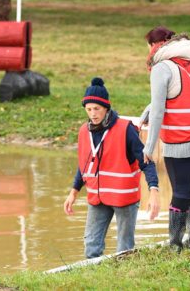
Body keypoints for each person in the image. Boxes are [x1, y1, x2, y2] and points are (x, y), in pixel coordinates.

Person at [140, 26, 190, 251]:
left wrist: (149, 146)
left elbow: (158, 112)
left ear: (154, 46)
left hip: (181, 141)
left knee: (180, 192)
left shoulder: (162, 68)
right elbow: (187, 97)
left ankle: (175, 244)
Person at [63, 77, 160, 259]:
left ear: (106, 107)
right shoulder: (84, 131)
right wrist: (74, 191)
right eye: (89, 109)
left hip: (125, 199)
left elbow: (147, 162)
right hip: (97, 198)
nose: (93, 113)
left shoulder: (126, 130)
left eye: (97, 109)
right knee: (91, 247)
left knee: (124, 250)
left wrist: (154, 190)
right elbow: (85, 164)